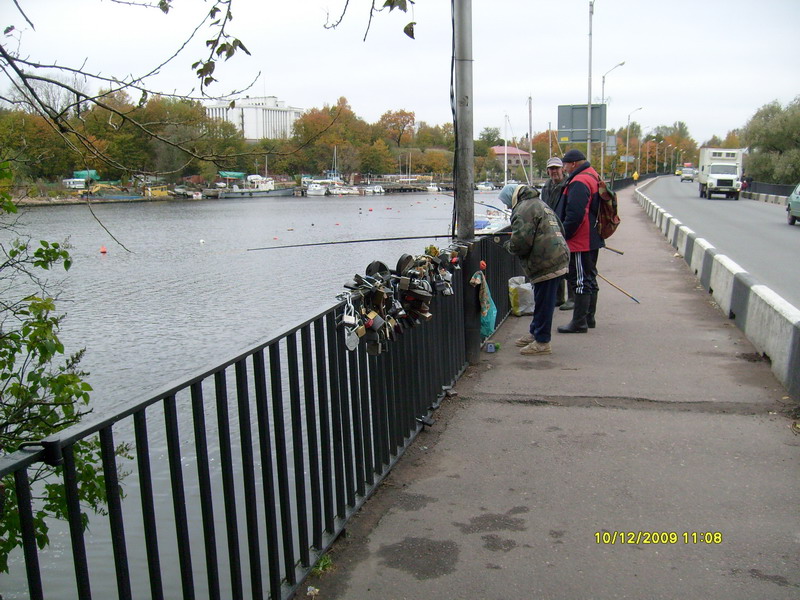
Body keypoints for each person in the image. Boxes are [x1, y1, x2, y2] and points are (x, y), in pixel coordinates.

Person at [498, 183, 570, 356]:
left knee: (544, 303)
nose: (507, 207)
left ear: (512, 198)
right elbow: (561, 227)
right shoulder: (538, 203)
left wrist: (508, 245)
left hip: (547, 261)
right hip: (557, 255)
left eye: (506, 203)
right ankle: (535, 332)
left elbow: (521, 243)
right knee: (541, 299)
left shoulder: (523, 209)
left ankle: (542, 342)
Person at [556, 148, 604, 334]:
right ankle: (589, 319)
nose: (564, 168)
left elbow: (575, 214)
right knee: (589, 278)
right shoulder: (592, 175)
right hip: (592, 236)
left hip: (580, 240)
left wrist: (564, 235)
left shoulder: (579, 181)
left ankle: (579, 323)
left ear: (573, 163)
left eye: (565, 164)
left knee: (581, 281)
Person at [540, 156, 570, 308]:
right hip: (551, 228)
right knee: (555, 264)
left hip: (565, 226)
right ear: (547, 171)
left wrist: (565, 227)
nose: (554, 171)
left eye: (556, 168)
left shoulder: (569, 185)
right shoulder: (546, 187)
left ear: (562, 169)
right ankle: (558, 297)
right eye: (551, 169)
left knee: (569, 264)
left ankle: (572, 298)